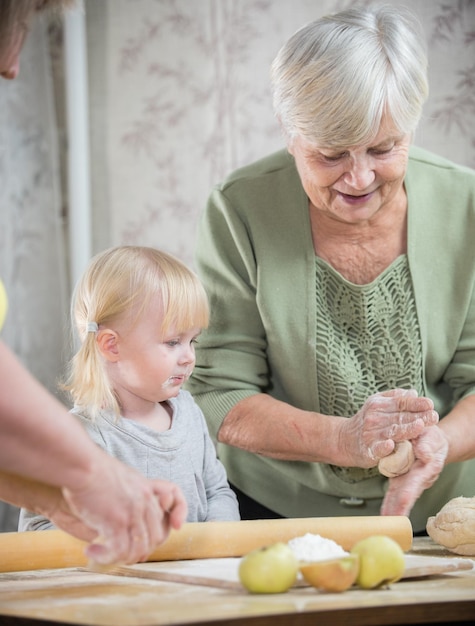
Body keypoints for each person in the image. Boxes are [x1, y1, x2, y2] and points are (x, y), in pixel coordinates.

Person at [186, 4, 475, 534]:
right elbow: (218, 390)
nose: (359, 176)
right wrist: (344, 439)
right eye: (331, 154)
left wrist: (441, 444)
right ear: (290, 133)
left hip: (445, 512)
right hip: (273, 510)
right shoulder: (239, 208)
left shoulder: (467, 204)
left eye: (383, 148)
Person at [0, 0, 187, 566]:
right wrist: (90, 470)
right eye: (19, 22)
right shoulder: (95, 432)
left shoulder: (190, 421)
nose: (13, 64)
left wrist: (59, 496)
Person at [19, 246, 240, 532]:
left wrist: (218, 538)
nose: (188, 356)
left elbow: (218, 492)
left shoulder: (190, 414)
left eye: (192, 341)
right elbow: (38, 528)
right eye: (173, 342)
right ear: (112, 345)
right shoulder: (81, 436)